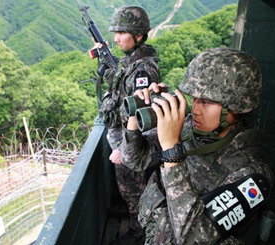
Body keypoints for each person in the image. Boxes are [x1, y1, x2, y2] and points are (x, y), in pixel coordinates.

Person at [120, 48, 275, 244]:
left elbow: (192, 238)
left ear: (237, 105)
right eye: (194, 98)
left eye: (206, 102)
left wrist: (172, 152)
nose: (195, 109)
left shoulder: (253, 173)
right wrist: (136, 114)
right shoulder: (189, 129)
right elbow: (134, 159)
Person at [93, 5, 160, 244]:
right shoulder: (131, 61)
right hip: (122, 142)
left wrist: (123, 148)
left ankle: (139, 232)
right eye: (116, 32)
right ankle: (136, 222)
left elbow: (145, 119)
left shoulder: (144, 71)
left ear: (139, 35)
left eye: (122, 32)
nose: (116, 38)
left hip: (130, 148)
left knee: (134, 192)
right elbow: (122, 89)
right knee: (128, 191)